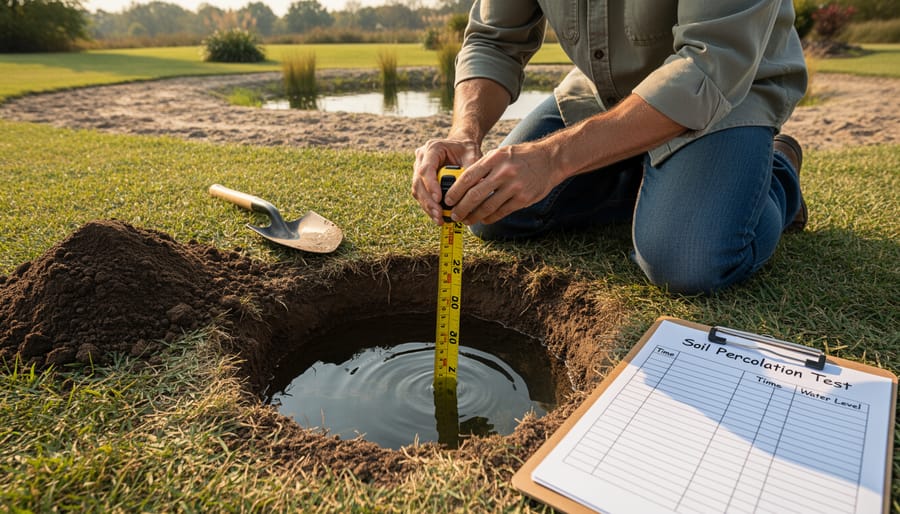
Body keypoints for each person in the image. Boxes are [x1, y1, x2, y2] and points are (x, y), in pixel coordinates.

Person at [412, 0, 808, 294]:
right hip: (606, 91)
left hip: (729, 92)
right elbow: (493, 41)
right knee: (492, 212)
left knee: (685, 262)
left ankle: (778, 171)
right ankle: (652, 178)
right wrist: (465, 133)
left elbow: (710, 64)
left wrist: (554, 158)